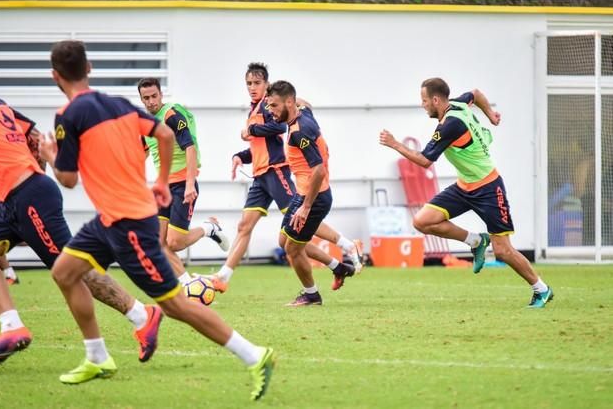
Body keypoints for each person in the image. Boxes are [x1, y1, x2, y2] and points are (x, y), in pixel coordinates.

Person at [41, 40, 274, 399]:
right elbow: (163, 134)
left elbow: (68, 179)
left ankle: (254, 355)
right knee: (65, 271)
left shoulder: (67, 115)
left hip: (129, 223)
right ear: (88, 70)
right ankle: (98, 356)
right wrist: (163, 181)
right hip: (109, 219)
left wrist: (50, 154)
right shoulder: (118, 104)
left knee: (177, 305)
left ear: (56, 76)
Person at [0, 59, 162, 367]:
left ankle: (141, 315)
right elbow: (35, 136)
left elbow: (37, 141)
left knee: (69, 270)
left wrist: (28, 180)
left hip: (29, 196)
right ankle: (12, 327)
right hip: (10, 199)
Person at [379, 77, 553, 308]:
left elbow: (424, 160)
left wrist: (395, 144)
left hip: (489, 188)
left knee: (502, 251)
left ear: (436, 99)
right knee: (422, 221)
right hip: (464, 186)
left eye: (424, 100)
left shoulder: (449, 125)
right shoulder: (459, 104)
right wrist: (490, 114)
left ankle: (541, 289)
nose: (422, 105)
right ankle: (475, 241)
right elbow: (476, 93)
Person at [205, 63, 360, 294]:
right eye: (248, 83)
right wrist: (240, 156)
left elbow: (279, 128)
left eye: (257, 83)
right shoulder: (257, 109)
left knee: (296, 227)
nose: (252, 87)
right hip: (260, 176)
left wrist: (253, 130)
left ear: (267, 85)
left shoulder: (270, 108)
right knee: (246, 226)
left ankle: (346, 246)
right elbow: (261, 147)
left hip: (276, 172)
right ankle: (224, 276)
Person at [137, 78, 228, 286]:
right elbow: (142, 153)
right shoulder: (144, 123)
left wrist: (189, 183)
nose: (151, 102)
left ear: (160, 95)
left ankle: (209, 228)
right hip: (163, 188)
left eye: (154, 96)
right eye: (146, 98)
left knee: (175, 243)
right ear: (141, 100)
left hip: (181, 184)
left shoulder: (171, 116)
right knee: (159, 243)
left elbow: (190, 148)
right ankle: (187, 285)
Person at [264, 80, 343, 306]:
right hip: (303, 192)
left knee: (293, 248)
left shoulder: (299, 132)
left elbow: (318, 170)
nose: (271, 112)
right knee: (284, 240)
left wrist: (305, 207)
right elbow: (305, 102)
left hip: (315, 197)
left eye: (275, 106)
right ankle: (339, 267)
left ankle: (312, 295)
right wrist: (278, 93)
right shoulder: (303, 112)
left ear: (289, 102)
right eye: (269, 106)